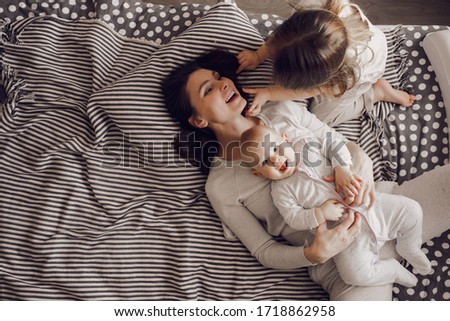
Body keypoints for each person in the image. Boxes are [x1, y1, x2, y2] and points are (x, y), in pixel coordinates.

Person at [162, 49, 450, 300]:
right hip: (342, 266)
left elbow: (344, 145)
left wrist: (353, 169)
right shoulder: (221, 184)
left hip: (382, 208)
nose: (223, 83)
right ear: (198, 119)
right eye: (208, 90)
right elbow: (263, 250)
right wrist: (312, 254)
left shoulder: (282, 111)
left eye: (218, 77)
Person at [240, 125, 431, 287]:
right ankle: (392, 270)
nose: (275, 159)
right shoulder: (281, 191)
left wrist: (342, 168)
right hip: (346, 235)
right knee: (354, 276)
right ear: (258, 173)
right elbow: (293, 218)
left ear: (286, 139)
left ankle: (409, 246)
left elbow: (334, 144)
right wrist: (319, 213)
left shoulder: (307, 146)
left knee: (412, 210)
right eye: (265, 161)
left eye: (274, 148)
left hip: (371, 206)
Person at [237, 0, 416, 126]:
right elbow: (278, 38)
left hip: (365, 68)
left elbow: (308, 91)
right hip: (362, 39)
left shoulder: (344, 73)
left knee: (321, 116)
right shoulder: (311, 8)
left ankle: (377, 93)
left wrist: (269, 92)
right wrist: (258, 56)